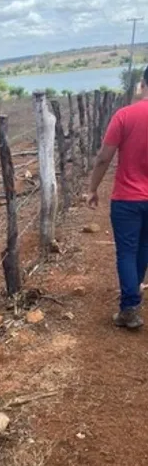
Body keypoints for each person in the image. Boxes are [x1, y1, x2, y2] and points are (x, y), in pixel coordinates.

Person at [88, 66, 148, 329]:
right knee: (144, 248)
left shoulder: (124, 116)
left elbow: (104, 157)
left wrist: (92, 188)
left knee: (126, 251)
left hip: (127, 198)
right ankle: (133, 294)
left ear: (142, 84)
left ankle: (130, 308)